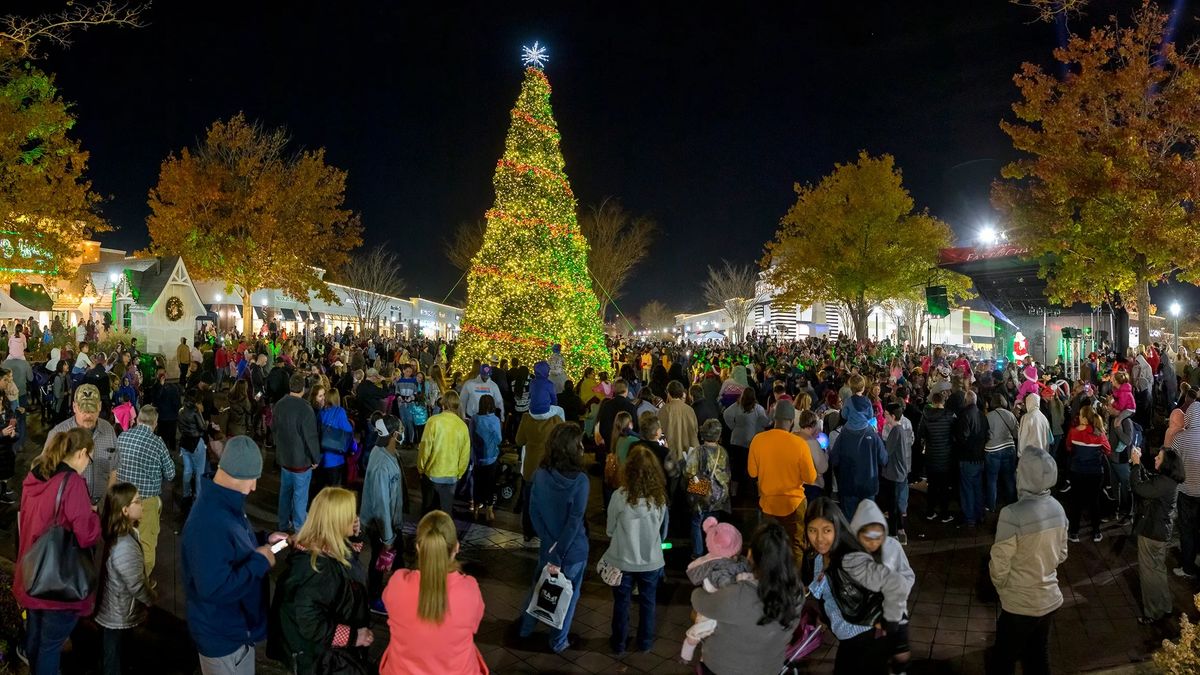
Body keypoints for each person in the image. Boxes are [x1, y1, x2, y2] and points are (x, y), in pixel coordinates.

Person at [183, 435, 288, 675]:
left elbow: (231, 546)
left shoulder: (224, 504)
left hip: (234, 630)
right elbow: (213, 589)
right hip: (221, 637)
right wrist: (259, 562)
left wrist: (263, 539)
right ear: (236, 474)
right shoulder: (208, 521)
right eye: (252, 479)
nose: (254, 487)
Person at [14, 428, 102, 675]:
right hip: (57, 582)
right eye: (90, 459)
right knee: (50, 647)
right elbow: (86, 535)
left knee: (35, 634)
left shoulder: (36, 474)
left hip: (32, 572)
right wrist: (94, 517)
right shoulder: (72, 483)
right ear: (82, 453)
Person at [267, 487, 372, 674]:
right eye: (350, 514)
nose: (355, 517)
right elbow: (311, 623)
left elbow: (348, 559)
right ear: (337, 522)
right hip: (323, 660)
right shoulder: (319, 569)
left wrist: (355, 535)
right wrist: (354, 637)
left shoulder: (322, 546)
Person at [803, 497, 910, 675]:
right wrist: (826, 617)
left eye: (827, 530)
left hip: (869, 638)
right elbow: (831, 595)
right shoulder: (819, 558)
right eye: (812, 530)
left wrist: (901, 646)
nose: (819, 538)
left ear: (838, 528)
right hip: (849, 639)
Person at [988, 446, 1068, 675]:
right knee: (1037, 657)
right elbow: (1062, 554)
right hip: (1049, 598)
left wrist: (1004, 588)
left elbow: (999, 564)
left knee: (1003, 661)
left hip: (1019, 603)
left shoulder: (1012, 514)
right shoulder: (1058, 509)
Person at [380, 510, 487, 674]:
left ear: (418, 547)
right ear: (456, 547)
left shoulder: (397, 583)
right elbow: (474, 625)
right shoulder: (470, 589)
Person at [691, 520, 802, 675]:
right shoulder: (797, 591)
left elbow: (698, 599)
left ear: (751, 555)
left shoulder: (737, 594)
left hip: (724, 668)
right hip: (771, 668)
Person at [517, 422, 590, 654]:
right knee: (568, 595)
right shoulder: (580, 482)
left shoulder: (540, 474)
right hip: (573, 550)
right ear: (573, 448)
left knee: (539, 586)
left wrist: (549, 542)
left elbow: (533, 511)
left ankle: (526, 628)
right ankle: (558, 640)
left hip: (548, 546)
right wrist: (560, 551)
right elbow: (575, 520)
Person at [601, 445, 669, 655]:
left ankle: (619, 642)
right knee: (648, 603)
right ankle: (645, 642)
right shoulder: (659, 499)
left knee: (622, 603)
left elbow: (610, 530)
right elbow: (662, 533)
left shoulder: (619, 496)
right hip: (651, 561)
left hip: (622, 560)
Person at [850, 500, 916, 675]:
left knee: (901, 654)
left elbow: (908, 575)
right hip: (867, 619)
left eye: (877, 536)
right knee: (873, 657)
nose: (873, 542)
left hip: (896, 613)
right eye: (867, 537)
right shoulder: (852, 554)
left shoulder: (893, 546)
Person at [96, 483, 154, 675]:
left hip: (116, 609)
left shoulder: (123, 534)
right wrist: (151, 598)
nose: (142, 505)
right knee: (113, 658)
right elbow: (136, 585)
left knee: (116, 653)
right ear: (125, 510)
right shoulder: (125, 546)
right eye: (137, 501)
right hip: (118, 613)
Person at [748, 400, 818, 558]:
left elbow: (752, 473)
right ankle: (793, 581)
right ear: (792, 421)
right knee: (796, 546)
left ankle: (772, 578)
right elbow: (810, 477)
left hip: (768, 504)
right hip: (794, 503)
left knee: (770, 545)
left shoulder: (758, 440)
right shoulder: (800, 444)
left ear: (773, 418)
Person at [115, 405, 176, 579]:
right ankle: (141, 584)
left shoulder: (123, 437)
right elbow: (171, 474)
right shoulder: (157, 443)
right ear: (155, 423)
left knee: (123, 539)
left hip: (123, 499)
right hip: (146, 502)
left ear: (139, 419)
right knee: (147, 544)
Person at [1130, 446, 1186, 625]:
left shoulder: (1164, 483)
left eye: (1159, 458)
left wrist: (1136, 465)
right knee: (1158, 571)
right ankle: (1164, 606)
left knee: (1149, 573)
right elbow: (1150, 483)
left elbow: (1139, 488)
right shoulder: (1167, 480)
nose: (1155, 458)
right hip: (1160, 532)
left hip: (1152, 532)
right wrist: (1140, 466)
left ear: (1167, 464)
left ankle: (1152, 613)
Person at [46, 383, 118, 508]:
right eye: (83, 410)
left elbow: (114, 468)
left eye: (92, 410)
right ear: (74, 407)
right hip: (70, 508)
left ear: (100, 406)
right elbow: (45, 475)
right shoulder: (58, 434)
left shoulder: (108, 429)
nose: (88, 416)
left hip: (102, 506)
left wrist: (108, 502)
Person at [361, 415, 405, 614]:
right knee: (380, 563)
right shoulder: (382, 465)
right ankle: (374, 599)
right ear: (394, 434)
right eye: (401, 430)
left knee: (396, 560)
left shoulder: (383, 451)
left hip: (390, 524)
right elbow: (381, 505)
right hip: (382, 526)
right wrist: (387, 537)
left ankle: (400, 592)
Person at [830, 396, 889, 525]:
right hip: (868, 486)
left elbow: (834, 459)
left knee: (849, 523)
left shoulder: (843, 435)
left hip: (848, 486)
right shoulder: (873, 435)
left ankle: (851, 544)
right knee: (867, 524)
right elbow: (884, 459)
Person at [274, 373, 321, 532]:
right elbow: (311, 437)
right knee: (300, 496)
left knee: (285, 493)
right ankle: (299, 528)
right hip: (301, 461)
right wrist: (316, 458)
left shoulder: (279, 405)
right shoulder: (305, 408)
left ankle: (282, 524)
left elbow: (274, 430)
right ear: (304, 388)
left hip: (284, 458)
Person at [514, 393, 563, 543]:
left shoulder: (526, 419)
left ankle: (528, 531)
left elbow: (519, 440)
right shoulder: (555, 420)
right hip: (548, 468)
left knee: (529, 499)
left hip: (530, 467)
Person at [684, 418, 732, 557]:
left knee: (696, 522)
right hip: (718, 495)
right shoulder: (723, 452)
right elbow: (727, 474)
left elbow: (688, 471)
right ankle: (713, 551)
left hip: (701, 492)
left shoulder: (698, 451)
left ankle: (698, 553)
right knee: (712, 524)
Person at [419, 389, 471, 515]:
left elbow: (425, 447)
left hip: (433, 473)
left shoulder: (433, 421)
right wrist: (459, 473)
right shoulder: (462, 425)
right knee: (446, 511)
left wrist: (421, 468)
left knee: (430, 512)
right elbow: (465, 454)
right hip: (452, 475)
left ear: (443, 404)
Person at [1064, 404, 1111, 543]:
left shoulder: (1074, 432)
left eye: (1080, 415)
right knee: (1094, 501)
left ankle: (1074, 533)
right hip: (1095, 472)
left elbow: (1068, 447)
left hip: (1077, 471)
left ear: (1084, 417)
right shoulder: (1099, 433)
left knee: (1076, 501)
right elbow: (1108, 450)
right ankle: (1096, 532)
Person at [917, 391, 956, 523]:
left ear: (932, 402)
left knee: (932, 486)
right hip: (945, 455)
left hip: (931, 455)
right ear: (943, 402)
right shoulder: (949, 416)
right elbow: (955, 433)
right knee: (944, 487)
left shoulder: (925, 416)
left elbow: (920, 433)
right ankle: (944, 514)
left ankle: (930, 511)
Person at [1173, 400, 1200, 579]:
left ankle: (1188, 567)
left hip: (1185, 492)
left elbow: (1173, 464)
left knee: (1187, 530)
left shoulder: (1180, 437)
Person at [953, 390, 988, 527]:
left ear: (966, 401)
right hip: (980, 457)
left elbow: (962, 437)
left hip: (968, 458)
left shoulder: (964, 416)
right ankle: (980, 514)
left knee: (967, 489)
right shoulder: (982, 415)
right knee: (978, 487)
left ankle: (970, 518)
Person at [880, 403, 912, 544]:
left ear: (893, 416)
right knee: (897, 503)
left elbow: (886, 454)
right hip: (900, 472)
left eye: (886, 414)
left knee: (892, 505)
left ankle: (894, 533)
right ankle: (899, 530)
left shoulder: (895, 432)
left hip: (893, 473)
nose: (884, 416)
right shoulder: (902, 430)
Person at [984, 393, 1019, 511]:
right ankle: (1012, 503)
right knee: (1009, 477)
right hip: (1009, 448)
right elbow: (1016, 434)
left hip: (992, 450)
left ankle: (991, 505)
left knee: (992, 479)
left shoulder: (988, 416)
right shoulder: (1010, 415)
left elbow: (985, 434)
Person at [471, 394, 503, 522]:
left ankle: (476, 508)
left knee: (477, 483)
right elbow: (499, 439)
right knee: (490, 483)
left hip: (477, 457)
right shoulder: (494, 420)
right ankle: (489, 509)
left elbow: (471, 436)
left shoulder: (474, 418)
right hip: (491, 456)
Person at [179, 389, 209, 507]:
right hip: (196, 443)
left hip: (184, 443)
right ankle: (198, 497)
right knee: (199, 471)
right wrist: (206, 423)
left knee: (187, 470)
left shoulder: (181, 411)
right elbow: (203, 427)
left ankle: (186, 495)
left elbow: (180, 428)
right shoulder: (195, 411)